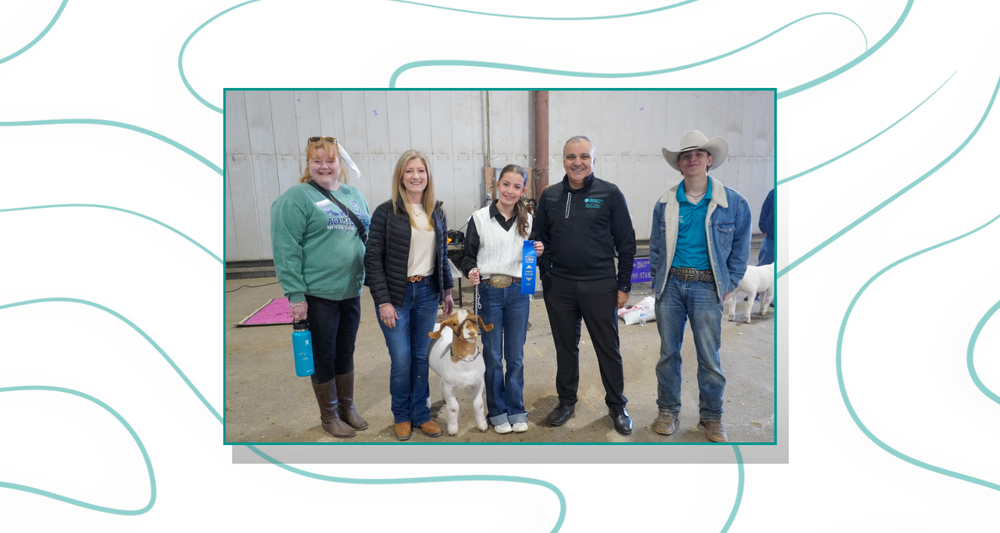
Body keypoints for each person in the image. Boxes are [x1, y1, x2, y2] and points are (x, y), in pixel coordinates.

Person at [649, 130, 751, 442]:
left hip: (708, 288)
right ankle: (667, 409)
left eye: (698, 154)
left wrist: (729, 283)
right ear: (679, 165)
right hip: (672, 286)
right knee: (668, 353)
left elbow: (741, 248)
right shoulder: (665, 203)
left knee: (709, 356)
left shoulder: (733, 203)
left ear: (709, 160)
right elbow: (655, 248)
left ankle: (712, 416)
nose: (692, 159)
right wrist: (658, 282)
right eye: (685, 155)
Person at [533, 135, 637, 436]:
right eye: (570, 157)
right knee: (565, 348)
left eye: (583, 157)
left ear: (594, 159)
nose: (577, 162)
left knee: (608, 348)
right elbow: (539, 239)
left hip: (600, 285)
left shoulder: (610, 193)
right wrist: (547, 273)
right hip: (560, 287)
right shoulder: (550, 195)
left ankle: (617, 405)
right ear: (562, 160)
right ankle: (566, 401)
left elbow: (626, 243)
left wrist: (623, 285)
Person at [270, 136, 370, 439]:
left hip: (350, 291)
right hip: (317, 294)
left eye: (330, 160)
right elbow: (286, 249)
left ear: (340, 164)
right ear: (308, 164)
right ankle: (329, 415)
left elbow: (366, 238)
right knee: (324, 354)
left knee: (346, 350)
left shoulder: (354, 195)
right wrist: (296, 295)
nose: (324, 167)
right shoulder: (297, 198)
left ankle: (346, 408)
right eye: (318, 161)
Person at [364, 150, 455, 441]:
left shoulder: (435, 212)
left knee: (420, 356)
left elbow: (441, 256)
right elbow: (372, 260)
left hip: (427, 293)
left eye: (421, 171)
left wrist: (448, 290)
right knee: (401, 359)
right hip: (397, 296)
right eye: (410, 171)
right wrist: (383, 301)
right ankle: (401, 415)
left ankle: (421, 414)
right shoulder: (386, 212)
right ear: (401, 177)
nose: (416, 176)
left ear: (428, 176)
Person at [460, 164, 544, 434]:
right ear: (496, 185)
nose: (510, 190)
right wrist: (470, 269)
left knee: (516, 355)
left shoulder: (530, 220)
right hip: (489, 293)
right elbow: (466, 255)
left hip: (519, 293)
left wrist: (541, 248)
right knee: (494, 355)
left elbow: (536, 250)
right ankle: (497, 410)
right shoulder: (480, 218)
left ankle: (516, 408)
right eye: (505, 184)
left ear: (524, 190)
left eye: (516, 186)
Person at [758, 188, 775, 266]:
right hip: (771, 239)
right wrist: (764, 228)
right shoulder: (775, 192)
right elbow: (765, 211)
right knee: (763, 267)